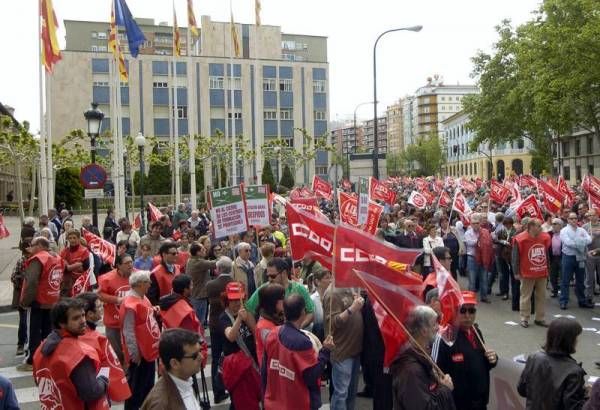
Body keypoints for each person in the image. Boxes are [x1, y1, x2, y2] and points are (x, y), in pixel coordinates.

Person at [32, 298, 110, 408]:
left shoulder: (40, 350)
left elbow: (38, 381)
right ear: (61, 323)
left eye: (83, 315)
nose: (83, 321)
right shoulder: (78, 354)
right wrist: (103, 379)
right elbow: (91, 392)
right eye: (76, 318)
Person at [262, 294, 335, 409]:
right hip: (297, 403)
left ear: (285, 312)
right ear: (303, 312)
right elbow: (311, 376)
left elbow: (265, 372)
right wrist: (325, 351)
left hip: (274, 403)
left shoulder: (272, 334)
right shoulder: (303, 342)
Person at [432, 291, 498, 410]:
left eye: (471, 311)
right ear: (455, 311)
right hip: (457, 405)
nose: (468, 316)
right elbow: (434, 372)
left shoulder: (477, 332)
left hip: (480, 403)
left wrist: (492, 359)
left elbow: (481, 364)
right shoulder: (445, 337)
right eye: (463, 311)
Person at [390, 305, 455, 409]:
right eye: (434, 324)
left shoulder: (422, 352)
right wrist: (445, 389)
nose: (438, 327)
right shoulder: (411, 370)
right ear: (424, 330)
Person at [517, 317, 587, 409]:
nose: (577, 341)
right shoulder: (574, 372)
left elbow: (522, 389)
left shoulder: (534, 357)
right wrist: (588, 395)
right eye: (576, 337)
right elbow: (573, 406)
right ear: (569, 340)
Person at [18, 237, 64, 372]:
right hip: (52, 299)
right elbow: (59, 278)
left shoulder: (38, 259)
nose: (30, 248)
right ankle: (47, 358)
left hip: (38, 301)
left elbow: (31, 282)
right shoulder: (57, 257)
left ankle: (31, 360)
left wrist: (25, 302)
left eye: (32, 245)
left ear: (39, 245)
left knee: (33, 332)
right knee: (47, 332)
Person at [76, 292, 132, 403]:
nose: (103, 308)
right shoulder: (92, 339)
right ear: (89, 314)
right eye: (99, 306)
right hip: (95, 391)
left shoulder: (89, 334)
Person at [120, 271, 161, 409]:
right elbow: (128, 331)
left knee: (148, 384)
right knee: (136, 388)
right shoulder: (130, 303)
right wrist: (134, 354)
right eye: (148, 282)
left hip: (148, 351)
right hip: (139, 353)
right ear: (139, 284)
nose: (150, 284)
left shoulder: (143, 298)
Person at [218, 281, 260, 410]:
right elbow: (230, 336)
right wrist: (239, 319)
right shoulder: (224, 317)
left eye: (239, 299)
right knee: (239, 399)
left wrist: (248, 318)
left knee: (252, 397)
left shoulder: (246, 312)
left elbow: (255, 332)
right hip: (236, 366)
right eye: (233, 300)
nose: (236, 303)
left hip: (250, 362)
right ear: (227, 300)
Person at [141, 329, 206, 410]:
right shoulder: (160, 404)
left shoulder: (184, 381)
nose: (201, 357)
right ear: (174, 363)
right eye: (195, 355)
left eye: (200, 351)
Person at [323, 285, 364, 410]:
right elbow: (332, 324)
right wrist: (352, 309)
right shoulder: (332, 293)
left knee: (351, 393)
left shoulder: (351, 287)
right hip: (342, 351)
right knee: (341, 394)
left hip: (354, 349)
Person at [245, 257, 315, 328]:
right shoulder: (264, 289)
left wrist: (298, 329)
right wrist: (256, 333)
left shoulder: (299, 288)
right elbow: (248, 310)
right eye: (268, 276)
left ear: (284, 273)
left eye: (273, 276)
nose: (269, 279)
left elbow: (310, 312)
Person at [158, 274, 209, 362]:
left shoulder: (167, 302)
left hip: (169, 349)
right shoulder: (184, 310)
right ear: (185, 289)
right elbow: (191, 333)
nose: (193, 287)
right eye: (191, 285)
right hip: (183, 354)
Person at [512, 218, 551, 328]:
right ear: (531, 227)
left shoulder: (544, 237)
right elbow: (515, 257)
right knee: (526, 296)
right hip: (527, 272)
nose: (541, 228)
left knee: (542, 296)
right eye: (539, 226)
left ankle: (540, 318)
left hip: (541, 271)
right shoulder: (520, 239)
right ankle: (524, 318)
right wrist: (516, 272)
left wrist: (548, 268)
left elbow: (546, 254)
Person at [205, 256, 234, 404]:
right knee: (232, 356)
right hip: (231, 324)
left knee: (216, 358)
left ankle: (218, 391)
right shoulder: (234, 283)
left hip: (215, 324)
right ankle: (232, 386)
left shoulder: (210, 284)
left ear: (218, 269)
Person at [98, 253, 133, 363]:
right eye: (127, 263)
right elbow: (100, 295)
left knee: (131, 352)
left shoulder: (137, 276)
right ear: (118, 265)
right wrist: (118, 300)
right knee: (116, 353)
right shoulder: (106, 278)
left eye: (131, 262)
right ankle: (121, 372)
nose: (130, 265)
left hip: (131, 322)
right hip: (113, 322)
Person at [560, 212, 593, 309]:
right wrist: (581, 243)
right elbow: (568, 242)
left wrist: (579, 242)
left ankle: (582, 301)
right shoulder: (564, 231)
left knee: (580, 280)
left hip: (580, 257)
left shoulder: (581, 230)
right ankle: (563, 301)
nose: (574, 220)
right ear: (568, 220)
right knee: (565, 280)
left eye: (575, 218)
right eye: (571, 218)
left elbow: (589, 239)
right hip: (568, 257)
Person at [186, 242, 217, 326]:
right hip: (199, 296)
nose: (205, 250)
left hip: (196, 294)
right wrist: (222, 253)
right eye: (203, 249)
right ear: (197, 252)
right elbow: (215, 263)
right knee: (199, 321)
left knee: (200, 320)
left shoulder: (192, 259)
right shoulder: (198, 263)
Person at [254, 283, 285, 365]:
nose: (285, 300)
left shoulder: (278, 317)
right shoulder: (264, 327)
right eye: (282, 298)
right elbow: (277, 350)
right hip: (271, 370)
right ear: (273, 302)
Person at [464, 214, 491, 303]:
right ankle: (470, 297)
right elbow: (469, 243)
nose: (475, 225)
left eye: (477, 223)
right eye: (473, 223)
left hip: (483, 257)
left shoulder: (485, 232)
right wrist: (479, 241)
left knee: (484, 278)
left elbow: (488, 242)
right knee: (472, 279)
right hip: (472, 258)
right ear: (471, 224)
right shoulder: (468, 233)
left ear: (480, 223)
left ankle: (484, 296)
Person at [11, 237, 31, 356]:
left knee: (32, 322)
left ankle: (30, 343)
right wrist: (23, 278)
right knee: (23, 322)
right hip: (23, 296)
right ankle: (20, 344)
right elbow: (13, 276)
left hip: (34, 295)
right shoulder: (21, 261)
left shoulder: (37, 259)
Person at [59, 229, 90, 297]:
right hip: (67, 283)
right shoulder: (64, 251)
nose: (72, 240)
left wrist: (70, 266)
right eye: (70, 238)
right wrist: (78, 264)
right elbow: (65, 269)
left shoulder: (84, 251)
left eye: (74, 238)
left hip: (80, 283)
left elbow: (85, 267)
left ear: (79, 238)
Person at [310, 269, 332, 341]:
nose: (330, 280)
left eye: (331, 277)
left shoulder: (332, 297)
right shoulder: (312, 299)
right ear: (317, 281)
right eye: (327, 278)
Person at [583, 209, 600, 305]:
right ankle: (589, 297)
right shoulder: (585, 227)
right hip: (590, 255)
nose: (591, 217)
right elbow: (582, 240)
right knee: (589, 277)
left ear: (597, 215)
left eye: (592, 215)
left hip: (599, 253)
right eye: (589, 215)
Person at [549, 218, 563, 298]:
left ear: (560, 225)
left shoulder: (564, 233)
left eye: (555, 224)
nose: (553, 226)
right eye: (552, 224)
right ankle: (554, 290)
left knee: (562, 275)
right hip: (553, 257)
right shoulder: (549, 234)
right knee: (553, 276)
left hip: (561, 257)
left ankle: (562, 291)